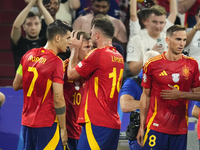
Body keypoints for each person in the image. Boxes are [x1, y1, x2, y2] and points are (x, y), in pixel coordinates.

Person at [137, 25, 200, 150]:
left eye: (184, 40)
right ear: (167, 40)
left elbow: (198, 94)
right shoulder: (152, 64)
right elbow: (145, 95)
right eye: (178, 39)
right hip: (155, 126)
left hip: (180, 129)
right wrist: (141, 126)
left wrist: (181, 94)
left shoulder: (192, 64)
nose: (182, 43)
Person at [12, 20, 72, 149]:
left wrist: (40, 82)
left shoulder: (27, 55)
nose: (69, 42)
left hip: (26, 123)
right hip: (47, 124)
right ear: (57, 38)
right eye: (68, 38)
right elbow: (58, 98)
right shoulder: (56, 62)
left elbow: (16, 84)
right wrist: (63, 129)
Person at [68, 17, 124, 150]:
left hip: (96, 119)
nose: (91, 35)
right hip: (112, 122)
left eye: (92, 32)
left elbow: (71, 75)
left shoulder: (97, 54)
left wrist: (74, 50)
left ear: (97, 35)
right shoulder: (119, 57)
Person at [120, 50, 159, 150]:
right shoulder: (132, 83)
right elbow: (125, 105)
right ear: (144, 67)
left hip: (160, 133)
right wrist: (154, 104)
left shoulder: (163, 83)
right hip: (140, 137)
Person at [127, 2, 177, 76]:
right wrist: (151, 55)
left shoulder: (169, 39)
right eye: (154, 22)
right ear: (147, 21)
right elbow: (133, 70)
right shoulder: (136, 39)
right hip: (144, 81)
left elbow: (174, 14)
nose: (158, 26)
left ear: (165, 23)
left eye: (161, 23)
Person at [63, 30, 92, 150]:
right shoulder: (63, 68)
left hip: (86, 132)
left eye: (91, 47)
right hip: (68, 133)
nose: (90, 51)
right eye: (86, 47)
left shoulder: (93, 69)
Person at [11, 0, 54, 71]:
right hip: (22, 81)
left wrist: (40, 5)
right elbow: (16, 26)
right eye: (29, 24)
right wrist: (31, 4)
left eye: (36, 24)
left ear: (40, 25)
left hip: (42, 81)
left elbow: (53, 27)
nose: (33, 27)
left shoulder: (45, 42)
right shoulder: (19, 42)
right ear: (24, 26)